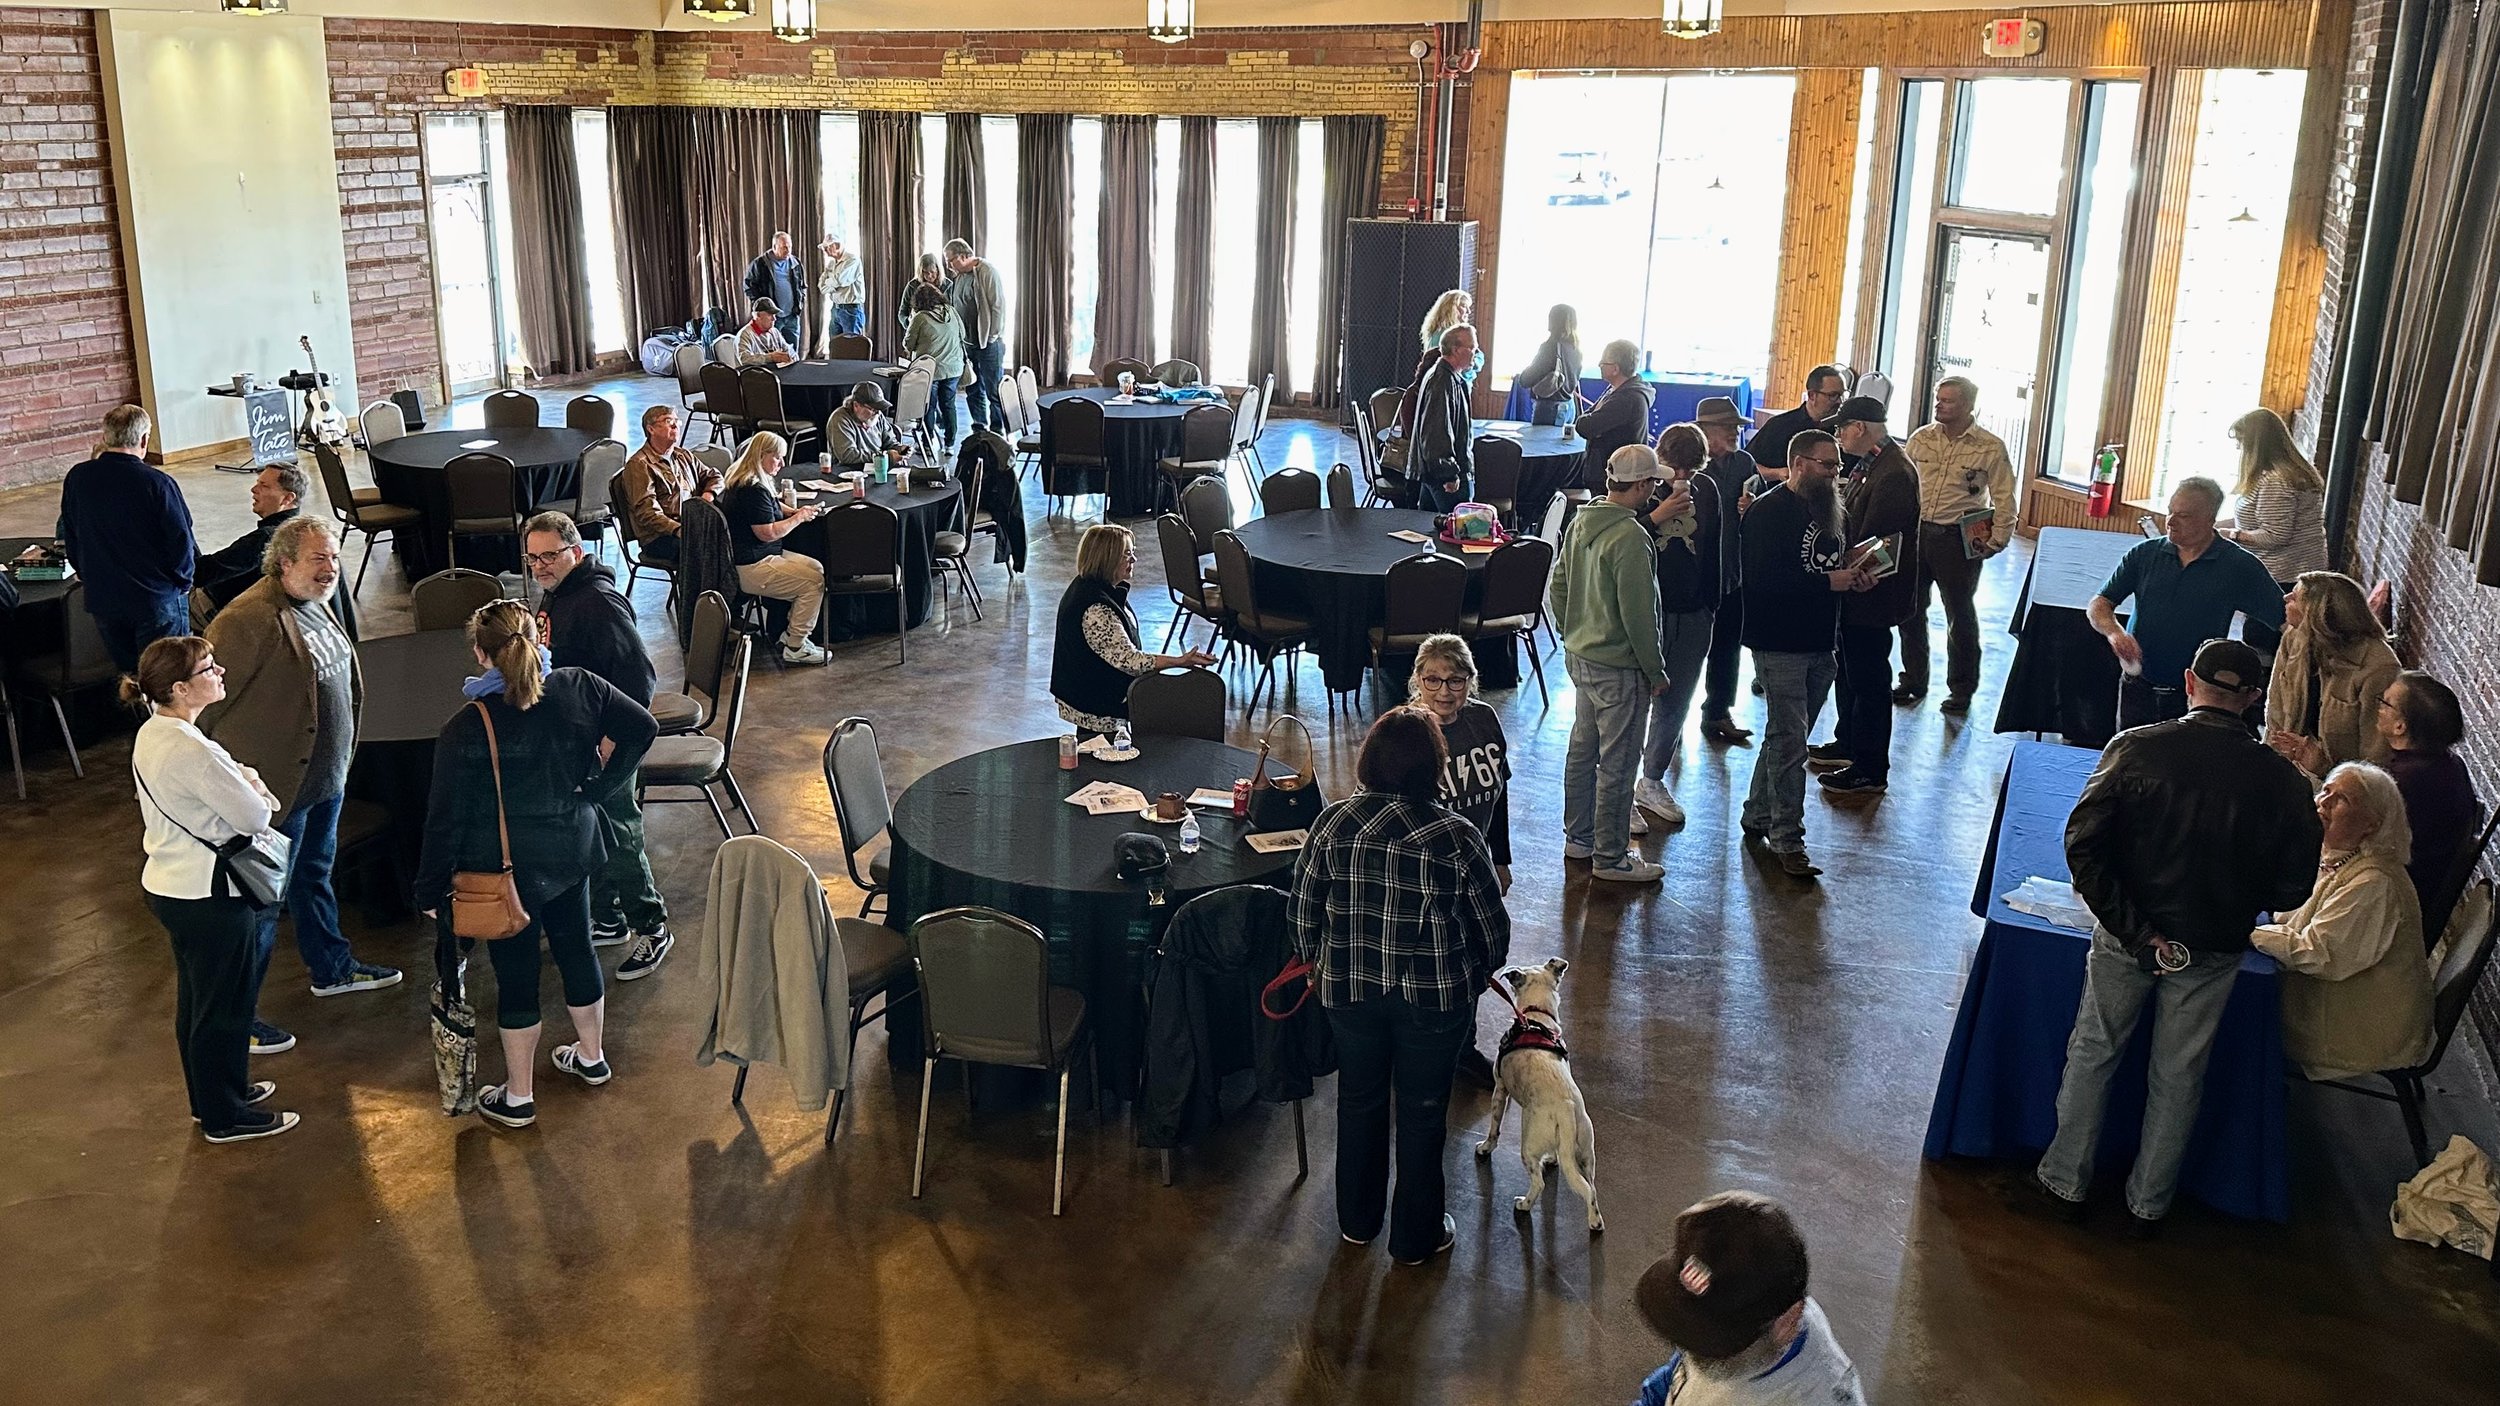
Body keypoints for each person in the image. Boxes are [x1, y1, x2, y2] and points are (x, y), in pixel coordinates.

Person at [2037, 639, 2322, 1235]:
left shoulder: (2135, 750)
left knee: (2094, 1053)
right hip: (2213, 947)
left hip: (2127, 934)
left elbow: (2083, 847)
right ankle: (2149, 1205)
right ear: (2252, 700)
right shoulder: (2284, 783)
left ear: (2190, 683)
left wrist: (2137, 930)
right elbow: (2295, 888)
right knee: (2179, 1075)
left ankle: (2065, 1184)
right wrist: (2233, 904)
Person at [415, 601, 657, 1129]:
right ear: (537, 637)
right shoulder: (578, 685)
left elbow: (443, 818)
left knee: (517, 975)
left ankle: (519, 1094)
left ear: (481, 653)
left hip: (505, 870)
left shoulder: (467, 725)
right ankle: (591, 1058)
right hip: (573, 849)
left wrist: (431, 891)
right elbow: (641, 726)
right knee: (578, 949)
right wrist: (600, 787)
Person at [1289, 708, 1510, 1266]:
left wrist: (1316, 958)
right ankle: (1416, 1237)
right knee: (1423, 1111)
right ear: (1433, 767)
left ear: (1369, 761)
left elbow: (1301, 914)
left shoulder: (1333, 823)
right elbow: (1491, 926)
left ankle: (1356, 1223)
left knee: (1359, 1101)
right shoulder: (1455, 835)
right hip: (1435, 1000)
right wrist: (1482, 968)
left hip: (1349, 991)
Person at [200, 517, 399, 1063]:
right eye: (318, 559)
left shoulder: (317, 601)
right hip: (276, 793)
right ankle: (237, 1018)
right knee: (262, 906)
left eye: (333, 557)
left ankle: (332, 970)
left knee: (314, 877)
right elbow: (203, 706)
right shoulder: (246, 620)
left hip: (323, 781)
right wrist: (232, 782)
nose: (330, 568)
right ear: (283, 563)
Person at [125, 635, 300, 1143]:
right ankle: (226, 1117)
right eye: (208, 667)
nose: (220, 671)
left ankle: (215, 1097)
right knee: (225, 1006)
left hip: (171, 886)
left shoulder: (153, 733)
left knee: (199, 1004)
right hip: (210, 894)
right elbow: (255, 814)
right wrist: (254, 783)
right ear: (180, 688)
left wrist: (242, 782)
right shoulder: (192, 749)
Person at [524, 512, 672, 981]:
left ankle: (652, 924)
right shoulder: (558, 593)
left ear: (576, 552)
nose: (540, 566)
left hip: (610, 741)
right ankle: (609, 917)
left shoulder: (598, 604)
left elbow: (639, 679)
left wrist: (610, 736)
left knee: (619, 830)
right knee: (593, 825)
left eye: (549, 555)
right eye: (532, 558)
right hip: (578, 739)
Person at [2251, 763, 2435, 1081]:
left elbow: (2319, 953)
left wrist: (2248, 932)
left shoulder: (2375, 883)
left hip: (2361, 1026)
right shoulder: (2340, 854)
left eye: (2342, 800)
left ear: (2370, 825)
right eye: (2325, 790)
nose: (2322, 802)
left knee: (2234, 1009)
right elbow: (2290, 914)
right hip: (2342, 998)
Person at [1738, 431, 1868, 879]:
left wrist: (1855, 572)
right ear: (1797, 464)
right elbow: (1760, 584)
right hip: (1779, 642)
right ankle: (1787, 840)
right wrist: (1827, 583)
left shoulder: (1831, 508)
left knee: (1785, 736)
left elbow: (1828, 562)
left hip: (1821, 639)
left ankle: (1757, 812)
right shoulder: (1766, 514)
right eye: (1826, 465)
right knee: (1792, 741)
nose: (1835, 474)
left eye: (1837, 466)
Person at [1552, 445, 1672, 884]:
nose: (1655, 489)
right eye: (1653, 483)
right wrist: (1655, 670)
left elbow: (1558, 587)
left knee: (1582, 752)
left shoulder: (1583, 519)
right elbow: (1640, 614)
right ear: (1640, 486)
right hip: (1620, 668)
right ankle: (1611, 857)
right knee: (1618, 765)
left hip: (1581, 658)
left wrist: (1574, 632)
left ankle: (1578, 838)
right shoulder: (1632, 537)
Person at [2088, 477, 2286, 733]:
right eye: (2170, 510)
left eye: (2183, 515)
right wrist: (2115, 632)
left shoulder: (2239, 567)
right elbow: (2099, 604)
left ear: (2209, 518)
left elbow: (2285, 620)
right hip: (2138, 686)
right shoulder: (2144, 554)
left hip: (2198, 699)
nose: (2169, 521)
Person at [1632, 1191, 1865, 1406]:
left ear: (1788, 1322)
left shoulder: (1814, 1396)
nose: (1693, 1352)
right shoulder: (1739, 1323)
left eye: (1712, 1343)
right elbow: (1676, 1377)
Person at [1816, 396, 1920, 797]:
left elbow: (1877, 539)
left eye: (1841, 428)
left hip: (1871, 593)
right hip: (1857, 591)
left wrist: (1848, 569)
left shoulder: (1893, 472)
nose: (1838, 436)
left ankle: (1870, 766)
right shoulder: (1875, 462)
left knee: (1869, 679)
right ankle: (1849, 742)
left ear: (1859, 427)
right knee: (1849, 671)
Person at [1896, 375, 2014, 713]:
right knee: (1911, 610)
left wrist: (1999, 538)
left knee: (1959, 614)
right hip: (1917, 533)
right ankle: (1913, 679)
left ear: (1968, 406)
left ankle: (1961, 689)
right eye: (1938, 398)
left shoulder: (1989, 447)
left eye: (1947, 400)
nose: (1939, 405)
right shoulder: (1921, 439)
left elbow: (2005, 496)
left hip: (1957, 540)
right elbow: (1902, 484)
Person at [59, 404, 195, 672]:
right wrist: (183, 582)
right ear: (144, 439)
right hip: (155, 600)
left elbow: (71, 534)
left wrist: (87, 575)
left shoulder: (78, 477)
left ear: (105, 436)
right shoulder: (157, 483)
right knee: (169, 680)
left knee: (131, 679)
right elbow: (181, 539)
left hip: (105, 601)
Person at [1049, 524, 1215, 737]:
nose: (1133, 559)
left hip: (1091, 695)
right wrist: (1178, 661)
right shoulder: (1096, 609)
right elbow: (1130, 661)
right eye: (1126, 554)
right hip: (1097, 705)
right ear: (1106, 558)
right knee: (1102, 756)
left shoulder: (1091, 587)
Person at [1636, 425, 1720, 827]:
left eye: (1692, 470)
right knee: (1631, 700)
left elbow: (1716, 550)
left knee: (1677, 699)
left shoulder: (1708, 492)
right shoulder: (1639, 489)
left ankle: (1651, 781)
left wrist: (1712, 605)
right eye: (1674, 470)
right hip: (1643, 611)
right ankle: (1615, 790)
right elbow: (1616, 540)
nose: (1683, 479)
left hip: (1693, 612)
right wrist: (1656, 517)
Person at [2265, 571, 2403, 776]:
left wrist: (2324, 770)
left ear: (2317, 615)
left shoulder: (2378, 669)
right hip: (2288, 769)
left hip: (2337, 784)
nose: (2286, 598)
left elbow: (2375, 755)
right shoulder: (2294, 636)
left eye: (2296, 597)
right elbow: (2275, 705)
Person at [2375, 670, 2479, 936]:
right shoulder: (2451, 763)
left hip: (2393, 905)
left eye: (2385, 703)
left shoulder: (2403, 782)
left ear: (2401, 727)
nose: (2379, 708)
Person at [717, 432, 831, 666]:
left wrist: (791, 511)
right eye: (777, 458)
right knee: (813, 582)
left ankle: (789, 633)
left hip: (753, 557)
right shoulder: (753, 489)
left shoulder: (743, 477)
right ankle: (796, 645)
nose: (782, 463)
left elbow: (769, 503)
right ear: (761, 455)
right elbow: (767, 532)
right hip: (752, 566)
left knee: (816, 567)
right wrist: (799, 517)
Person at [1692, 396, 1758, 747]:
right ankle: (1666, 721)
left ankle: (1718, 711)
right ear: (1705, 430)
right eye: (1727, 427)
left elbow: (1757, 511)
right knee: (1683, 650)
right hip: (1695, 574)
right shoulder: (1686, 464)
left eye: (1737, 427)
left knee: (1728, 647)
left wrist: (1753, 508)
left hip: (1732, 571)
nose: (1735, 433)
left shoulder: (1745, 462)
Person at [2219, 406, 2328, 586]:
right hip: (2286, 572)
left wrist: (2231, 535)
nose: (2238, 448)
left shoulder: (2277, 481)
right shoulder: (2276, 475)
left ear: (2256, 445)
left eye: (2241, 441)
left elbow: (2275, 535)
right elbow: (2255, 520)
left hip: (2285, 577)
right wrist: (2211, 526)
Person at [195, 464, 307, 611]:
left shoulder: (266, 538)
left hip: (211, 608)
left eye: (264, 486)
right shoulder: (298, 531)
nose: (254, 490)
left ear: (287, 498)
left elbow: (201, 573)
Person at [620, 404, 719, 567]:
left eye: (676, 421)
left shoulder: (682, 455)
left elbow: (714, 476)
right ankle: (696, 592)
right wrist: (679, 529)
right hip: (659, 537)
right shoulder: (639, 465)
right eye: (668, 421)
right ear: (651, 429)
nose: (675, 425)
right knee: (707, 549)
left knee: (732, 536)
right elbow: (647, 512)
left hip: (689, 524)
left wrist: (707, 496)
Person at [1409, 324, 1478, 513]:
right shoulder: (1442, 381)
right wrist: (1448, 474)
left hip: (1435, 474)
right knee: (1456, 535)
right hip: (1445, 477)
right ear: (1456, 350)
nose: (1476, 352)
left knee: (1430, 529)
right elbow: (1436, 432)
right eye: (1471, 348)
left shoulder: (1449, 377)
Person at [944, 238, 1008, 432]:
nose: (948, 265)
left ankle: (997, 430)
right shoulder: (960, 277)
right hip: (967, 343)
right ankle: (979, 427)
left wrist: (993, 336)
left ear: (964, 256)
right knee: (972, 386)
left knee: (993, 389)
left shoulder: (986, 271)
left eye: (951, 260)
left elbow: (998, 305)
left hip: (988, 342)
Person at [1577, 340, 1655, 488]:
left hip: (1617, 476)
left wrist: (1593, 422)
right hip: (1616, 469)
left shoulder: (1625, 398)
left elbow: (1585, 426)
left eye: (1603, 363)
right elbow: (1589, 417)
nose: (1599, 366)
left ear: (1615, 369)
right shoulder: (1619, 390)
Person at [1745, 364, 1848, 472]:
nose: (1840, 401)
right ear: (1812, 396)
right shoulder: (1779, 426)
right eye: (1833, 395)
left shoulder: (1844, 429)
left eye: (1843, 395)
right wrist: (1775, 473)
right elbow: (1747, 466)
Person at [903, 281, 965, 448]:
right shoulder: (951, 312)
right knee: (949, 405)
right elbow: (963, 334)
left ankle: (928, 443)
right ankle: (950, 444)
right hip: (954, 368)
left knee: (928, 406)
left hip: (930, 370)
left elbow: (908, 344)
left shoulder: (920, 318)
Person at [1515, 303, 1583, 427]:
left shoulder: (1549, 347)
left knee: (1540, 445)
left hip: (1550, 408)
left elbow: (1526, 380)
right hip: (1569, 406)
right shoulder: (1576, 350)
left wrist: (1522, 375)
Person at [827, 381, 912, 471]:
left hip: (877, 467)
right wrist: (885, 456)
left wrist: (901, 449)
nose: (878, 413)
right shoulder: (840, 419)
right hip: (848, 471)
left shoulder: (877, 416)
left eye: (879, 409)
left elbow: (890, 443)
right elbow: (847, 456)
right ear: (856, 405)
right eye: (872, 409)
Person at [742, 231, 806, 350]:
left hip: (792, 315)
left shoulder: (795, 262)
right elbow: (749, 287)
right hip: (771, 317)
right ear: (774, 247)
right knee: (772, 349)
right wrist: (762, 307)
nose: (788, 250)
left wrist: (800, 301)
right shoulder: (760, 264)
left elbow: (802, 286)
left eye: (790, 247)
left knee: (793, 349)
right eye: (784, 247)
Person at [818, 235, 865, 344]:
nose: (825, 250)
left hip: (851, 310)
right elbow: (822, 286)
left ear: (837, 245)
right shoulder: (831, 263)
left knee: (851, 348)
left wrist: (830, 281)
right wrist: (832, 282)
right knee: (835, 346)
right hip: (836, 308)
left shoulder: (852, 260)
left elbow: (839, 281)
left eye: (828, 247)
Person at [736, 298, 797, 368]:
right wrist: (770, 358)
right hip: (755, 375)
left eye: (774, 315)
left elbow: (788, 349)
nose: (774, 319)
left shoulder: (774, 331)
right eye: (770, 315)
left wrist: (791, 355)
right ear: (757, 316)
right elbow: (744, 359)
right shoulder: (745, 334)